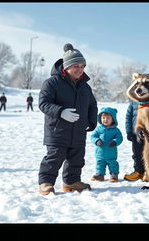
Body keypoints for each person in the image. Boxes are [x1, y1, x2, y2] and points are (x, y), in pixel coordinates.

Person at [38, 43, 98, 195]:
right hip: (58, 129)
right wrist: (60, 112)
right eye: (76, 66)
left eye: (82, 66)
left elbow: (92, 104)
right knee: (54, 158)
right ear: (67, 66)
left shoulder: (85, 87)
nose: (80, 69)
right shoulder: (52, 83)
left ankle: (71, 181)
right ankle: (46, 183)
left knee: (76, 158)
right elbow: (43, 103)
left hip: (78, 131)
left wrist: (91, 121)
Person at [90, 107, 123, 182]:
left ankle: (114, 175)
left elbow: (119, 138)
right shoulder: (98, 129)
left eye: (108, 118)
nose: (105, 120)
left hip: (111, 152)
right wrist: (96, 140)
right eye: (103, 118)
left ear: (113, 119)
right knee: (100, 164)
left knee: (112, 164)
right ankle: (100, 175)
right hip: (100, 152)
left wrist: (115, 141)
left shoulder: (115, 130)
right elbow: (93, 136)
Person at [123, 100, 149, 182]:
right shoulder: (133, 101)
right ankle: (138, 172)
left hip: (148, 132)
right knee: (137, 153)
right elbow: (128, 116)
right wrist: (129, 131)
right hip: (136, 132)